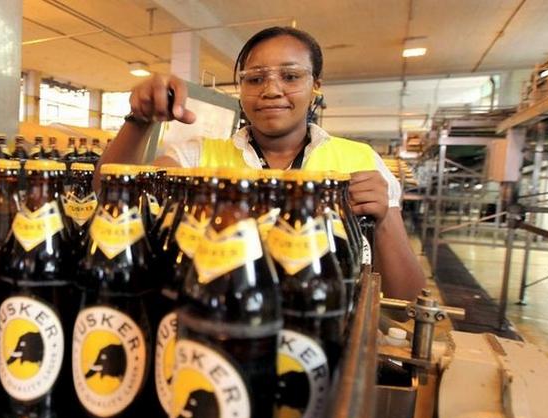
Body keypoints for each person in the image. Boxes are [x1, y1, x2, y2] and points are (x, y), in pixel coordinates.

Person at [98, 26, 425, 300]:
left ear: (316, 86)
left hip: (323, 342)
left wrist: (383, 223)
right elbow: (112, 193)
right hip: (223, 334)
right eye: (255, 79)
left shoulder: (360, 160)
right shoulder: (198, 157)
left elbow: (405, 298)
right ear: (240, 89)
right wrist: (139, 120)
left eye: (290, 76)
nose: (271, 90)